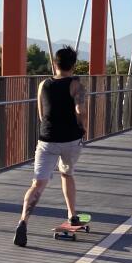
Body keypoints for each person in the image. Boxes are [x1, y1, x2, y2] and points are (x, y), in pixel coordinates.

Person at [14, 46, 87, 247]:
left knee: (37, 184)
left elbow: (41, 114)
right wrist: (83, 128)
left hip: (47, 139)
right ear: (73, 65)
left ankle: (23, 222)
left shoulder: (43, 84)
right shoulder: (76, 86)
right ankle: (72, 214)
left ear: (54, 64)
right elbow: (80, 110)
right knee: (67, 174)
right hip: (70, 140)